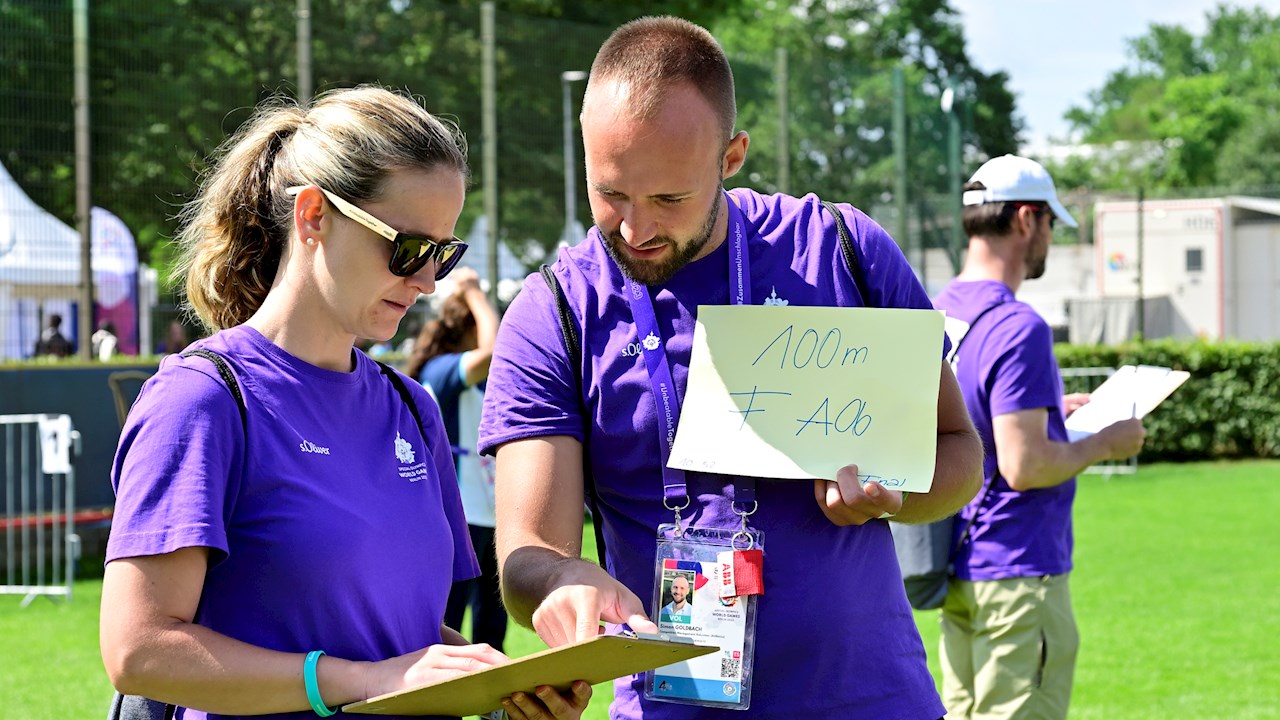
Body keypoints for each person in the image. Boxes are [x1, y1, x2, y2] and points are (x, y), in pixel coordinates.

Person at [479, 17, 984, 720]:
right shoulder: (555, 310)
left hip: (873, 700)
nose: (635, 228)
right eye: (611, 194)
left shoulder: (839, 251)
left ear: (732, 156)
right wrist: (565, 579)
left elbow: (961, 455)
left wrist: (895, 495)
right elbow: (526, 556)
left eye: (668, 199)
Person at [100, 85, 589, 720]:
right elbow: (139, 650)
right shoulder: (203, 399)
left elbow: (402, 644)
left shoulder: (413, 407)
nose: (426, 281)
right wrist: (359, 680)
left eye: (443, 254)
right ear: (312, 218)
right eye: (408, 248)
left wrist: (500, 694)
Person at [932, 154, 1148, 720]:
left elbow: (970, 418)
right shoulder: (1018, 324)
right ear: (1026, 219)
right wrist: (1107, 441)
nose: (1050, 237)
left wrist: (1053, 412)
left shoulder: (937, 310)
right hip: (1020, 572)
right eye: (1051, 222)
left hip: (955, 566)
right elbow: (1024, 465)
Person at [403, 266, 506, 651]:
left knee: (492, 629)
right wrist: (474, 293)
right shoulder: (443, 369)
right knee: (448, 627)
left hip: (490, 517)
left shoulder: (478, 382)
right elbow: (495, 349)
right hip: (457, 519)